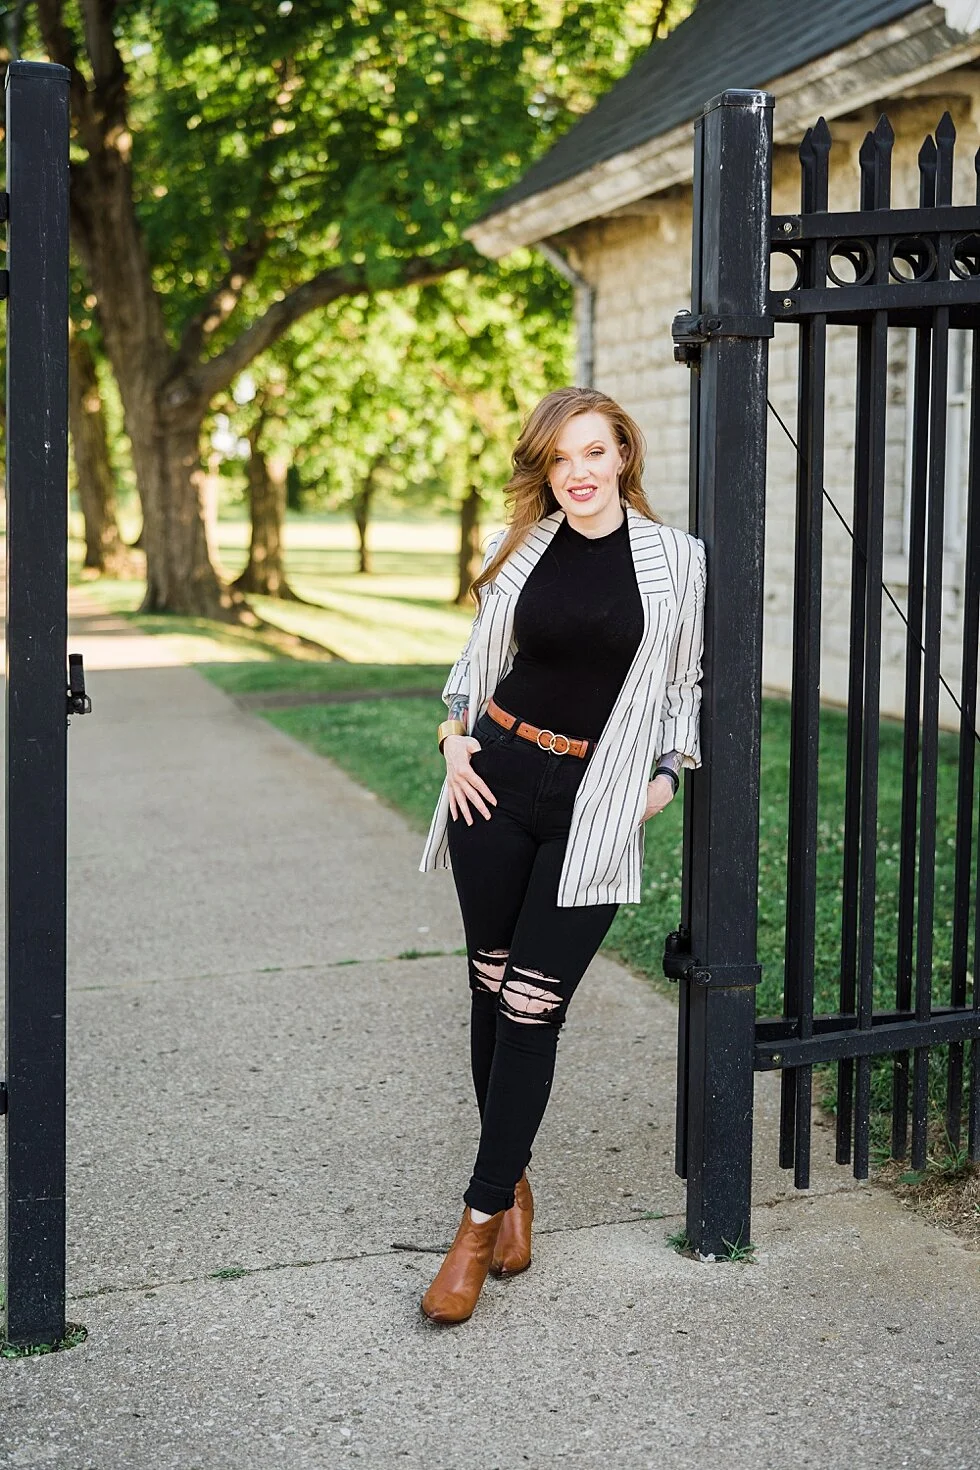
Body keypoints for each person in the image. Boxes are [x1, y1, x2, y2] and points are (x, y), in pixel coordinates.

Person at [417, 386, 706, 1325]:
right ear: (544, 469)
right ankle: (514, 1186)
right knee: (492, 992)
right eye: (558, 459)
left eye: (592, 452)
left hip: (596, 801)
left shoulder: (676, 560)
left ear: (624, 452)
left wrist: (669, 769)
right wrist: (455, 737)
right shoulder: (525, 549)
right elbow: (475, 660)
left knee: (535, 1006)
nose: (576, 473)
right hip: (494, 784)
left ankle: (472, 1222)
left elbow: (684, 682)